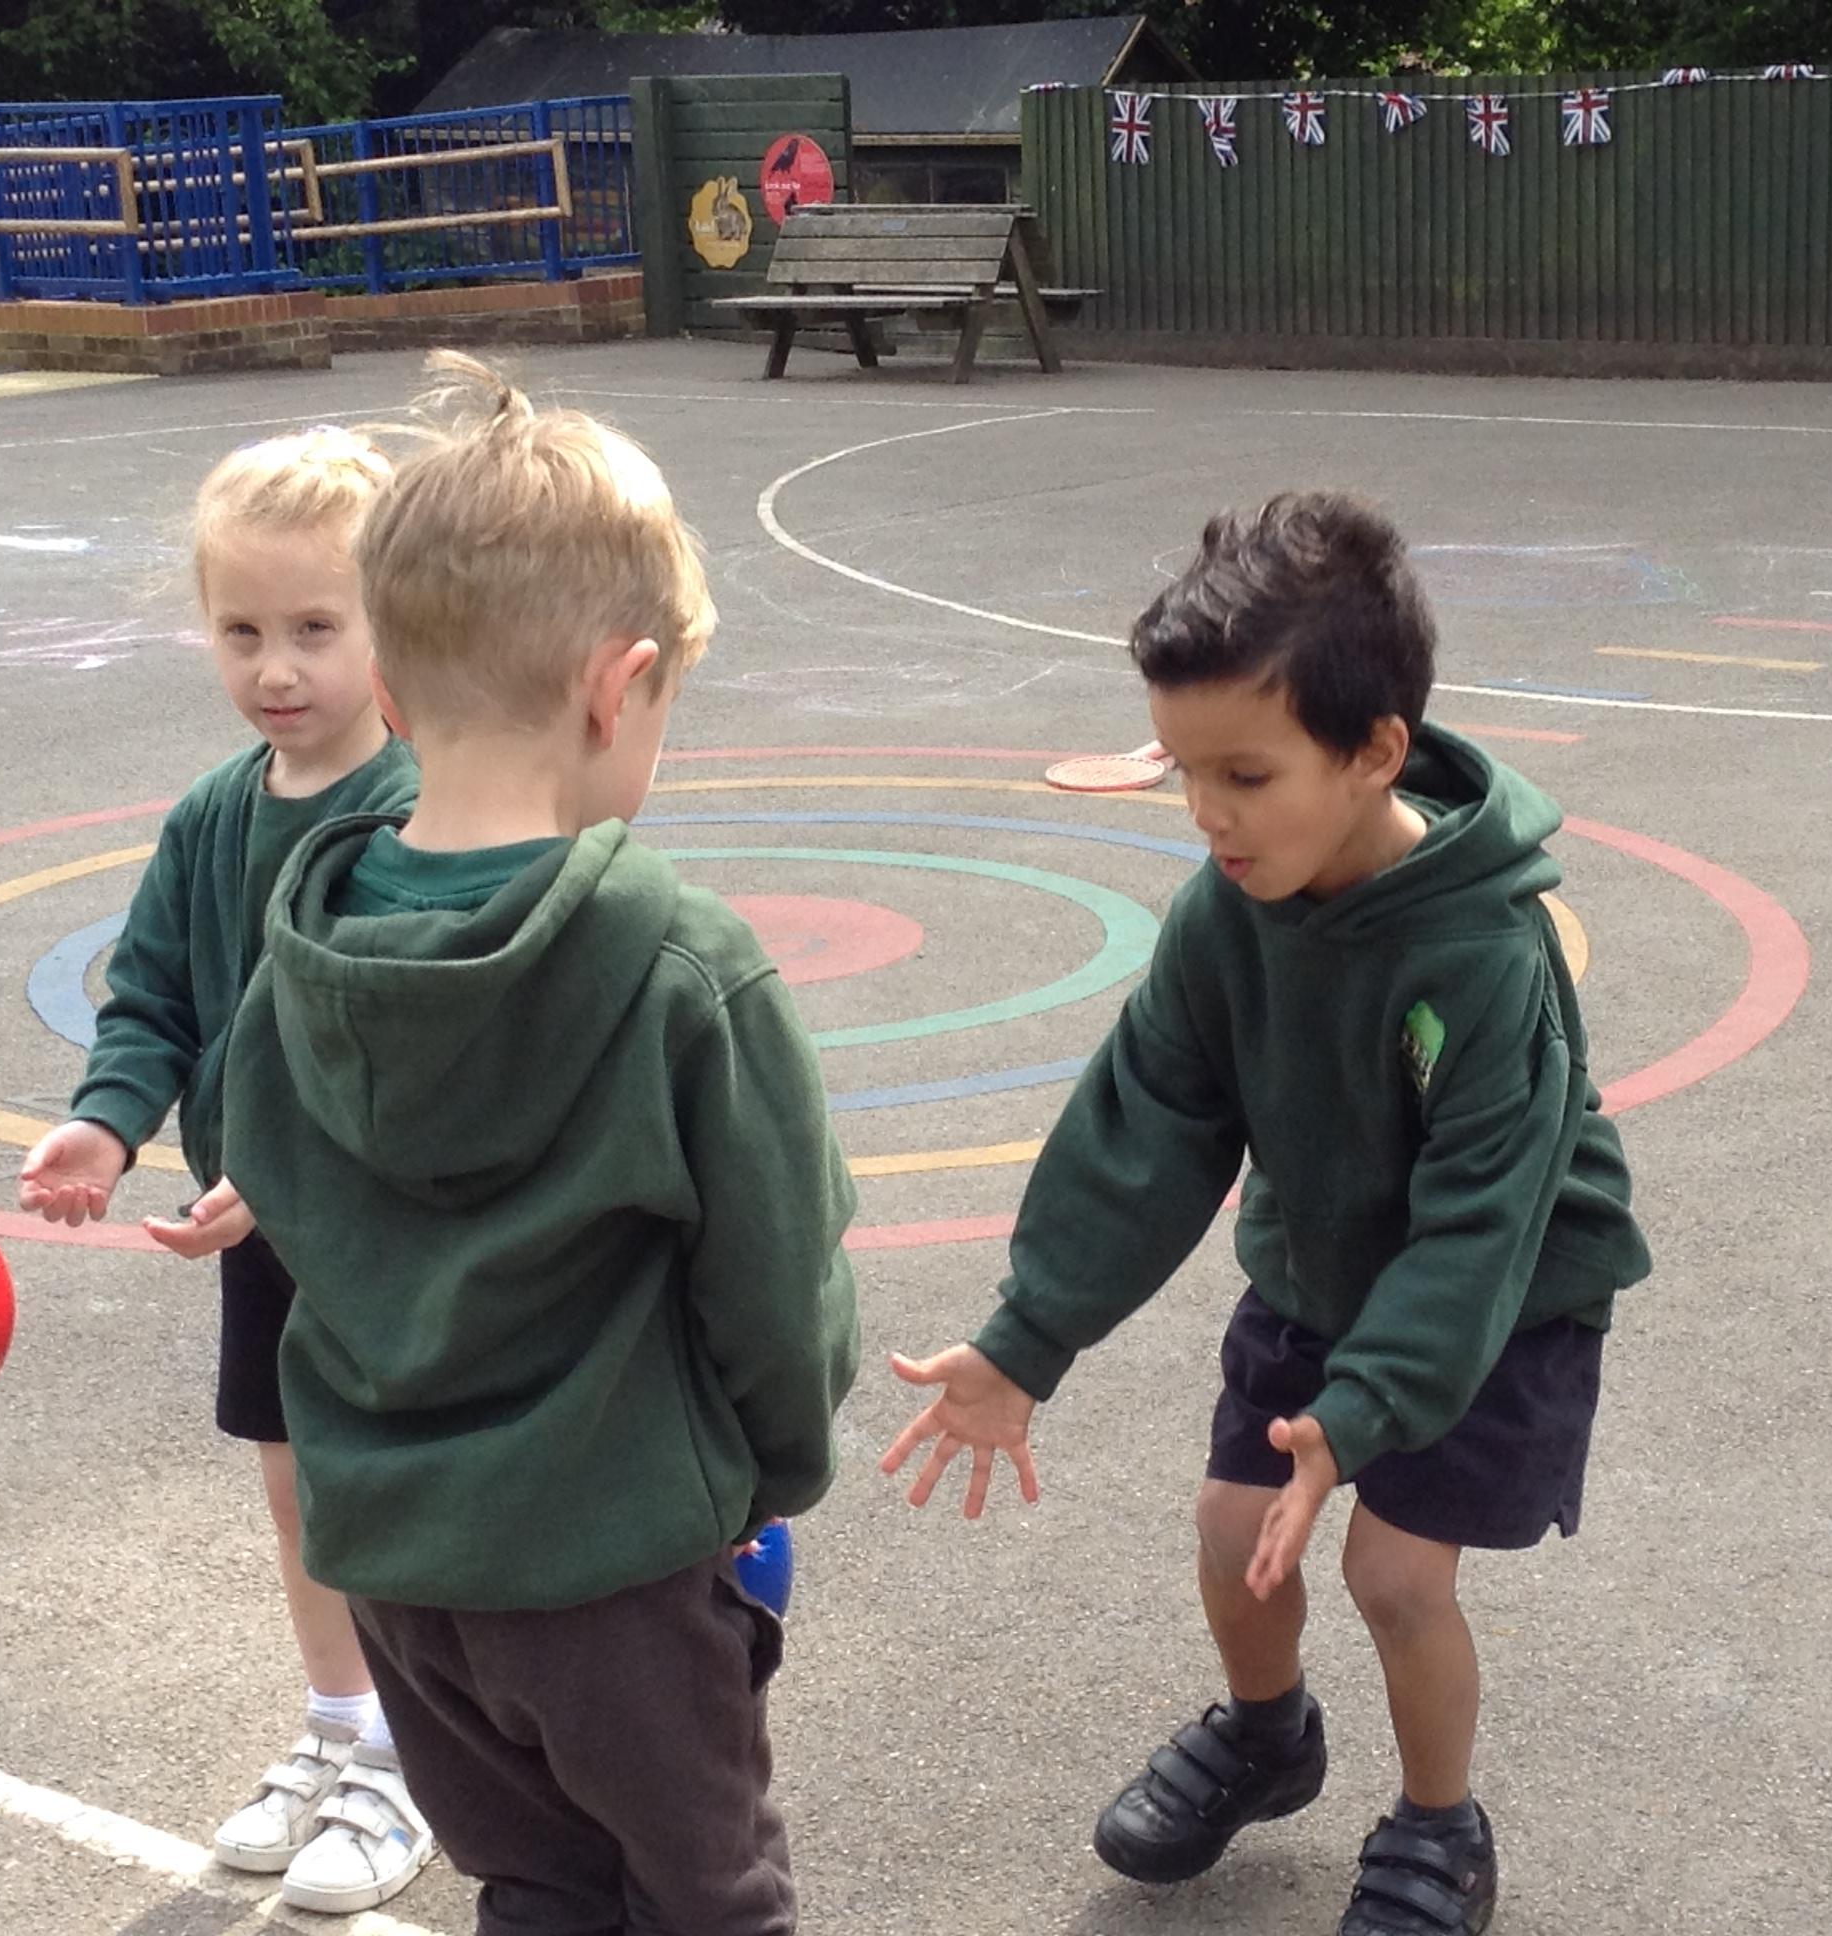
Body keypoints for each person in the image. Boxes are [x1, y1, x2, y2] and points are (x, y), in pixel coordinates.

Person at [881, 492, 1652, 1936]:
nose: (1207, 814)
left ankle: (1438, 1824)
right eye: (1183, 771)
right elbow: (1149, 1126)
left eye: (1245, 773)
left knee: (1392, 1573)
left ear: (1375, 752)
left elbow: (1479, 1223)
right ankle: (1267, 1732)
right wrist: (1026, 1340)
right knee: (1236, 1524)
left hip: (1499, 1299)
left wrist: (1358, 1422)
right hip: (1319, 1266)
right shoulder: (1224, 915)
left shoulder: (1484, 954)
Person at [222, 355, 859, 1936]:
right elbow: (778, 1284)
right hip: (618, 1570)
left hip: (398, 1572)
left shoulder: (298, 959)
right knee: (710, 1899)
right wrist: (768, 1473)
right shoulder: (684, 968)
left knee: (538, 1886)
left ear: (388, 695)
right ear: (615, 687)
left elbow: (286, 1215)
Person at [14, 428, 429, 1914]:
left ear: (396, 622)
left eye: (315, 627)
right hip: (260, 1233)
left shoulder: (424, 810)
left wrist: (302, 1162)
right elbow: (153, 999)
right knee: (296, 1478)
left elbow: (422, 1040)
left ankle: (418, 1761)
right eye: (242, 630)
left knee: (397, 1486)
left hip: (394, 1232)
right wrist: (107, 1121)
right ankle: (341, 1723)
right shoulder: (212, 815)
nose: (277, 667)